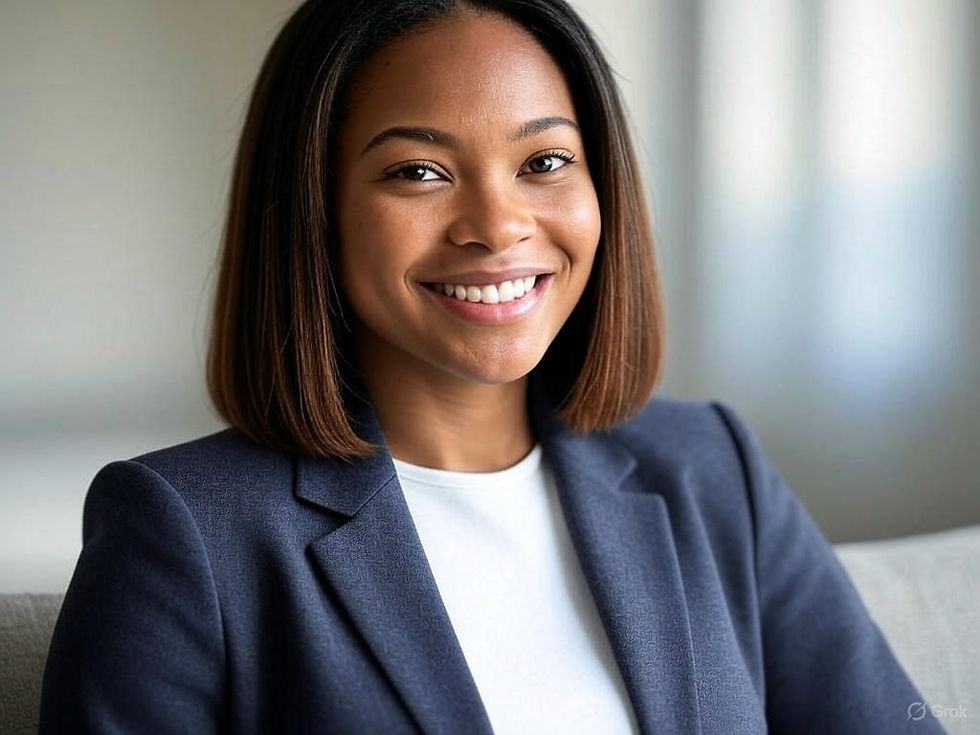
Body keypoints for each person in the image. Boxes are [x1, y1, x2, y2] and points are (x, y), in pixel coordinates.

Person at [39, 1, 943, 733]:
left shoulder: (711, 467)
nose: (498, 225)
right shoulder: (181, 532)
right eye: (419, 173)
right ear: (313, 210)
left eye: (544, 161)